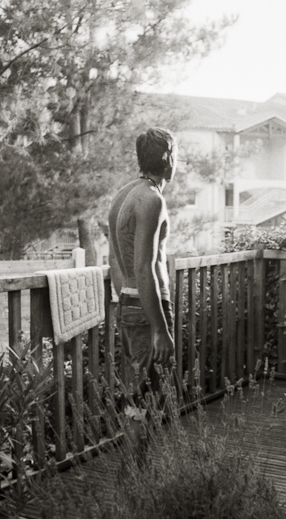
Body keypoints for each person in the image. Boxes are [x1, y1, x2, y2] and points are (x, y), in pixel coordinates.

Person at [108, 127, 178, 461]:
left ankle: (133, 473)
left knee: (135, 397)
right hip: (148, 307)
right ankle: (137, 476)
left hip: (128, 302)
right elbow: (145, 266)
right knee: (148, 399)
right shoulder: (151, 200)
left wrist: (126, 299)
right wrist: (160, 329)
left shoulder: (123, 194)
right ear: (168, 158)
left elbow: (114, 258)